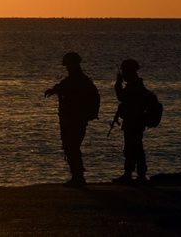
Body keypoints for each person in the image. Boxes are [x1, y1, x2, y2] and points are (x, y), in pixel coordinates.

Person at [44, 52, 100, 188]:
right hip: (70, 119)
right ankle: (77, 176)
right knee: (70, 147)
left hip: (75, 119)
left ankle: (78, 177)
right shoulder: (75, 80)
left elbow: (66, 88)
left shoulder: (80, 80)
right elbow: (62, 87)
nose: (68, 68)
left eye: (69, 65)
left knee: (72, 146)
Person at [112, 59, 150, 185]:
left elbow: (121, 97)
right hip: (134, 121)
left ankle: (132, 175)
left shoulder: (134, 86)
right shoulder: (137, 85)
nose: (123, 73)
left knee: (132, 148)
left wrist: (118, 84)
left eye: (124, 71)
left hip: (133, 121)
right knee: (135, 148)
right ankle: (138, 174)